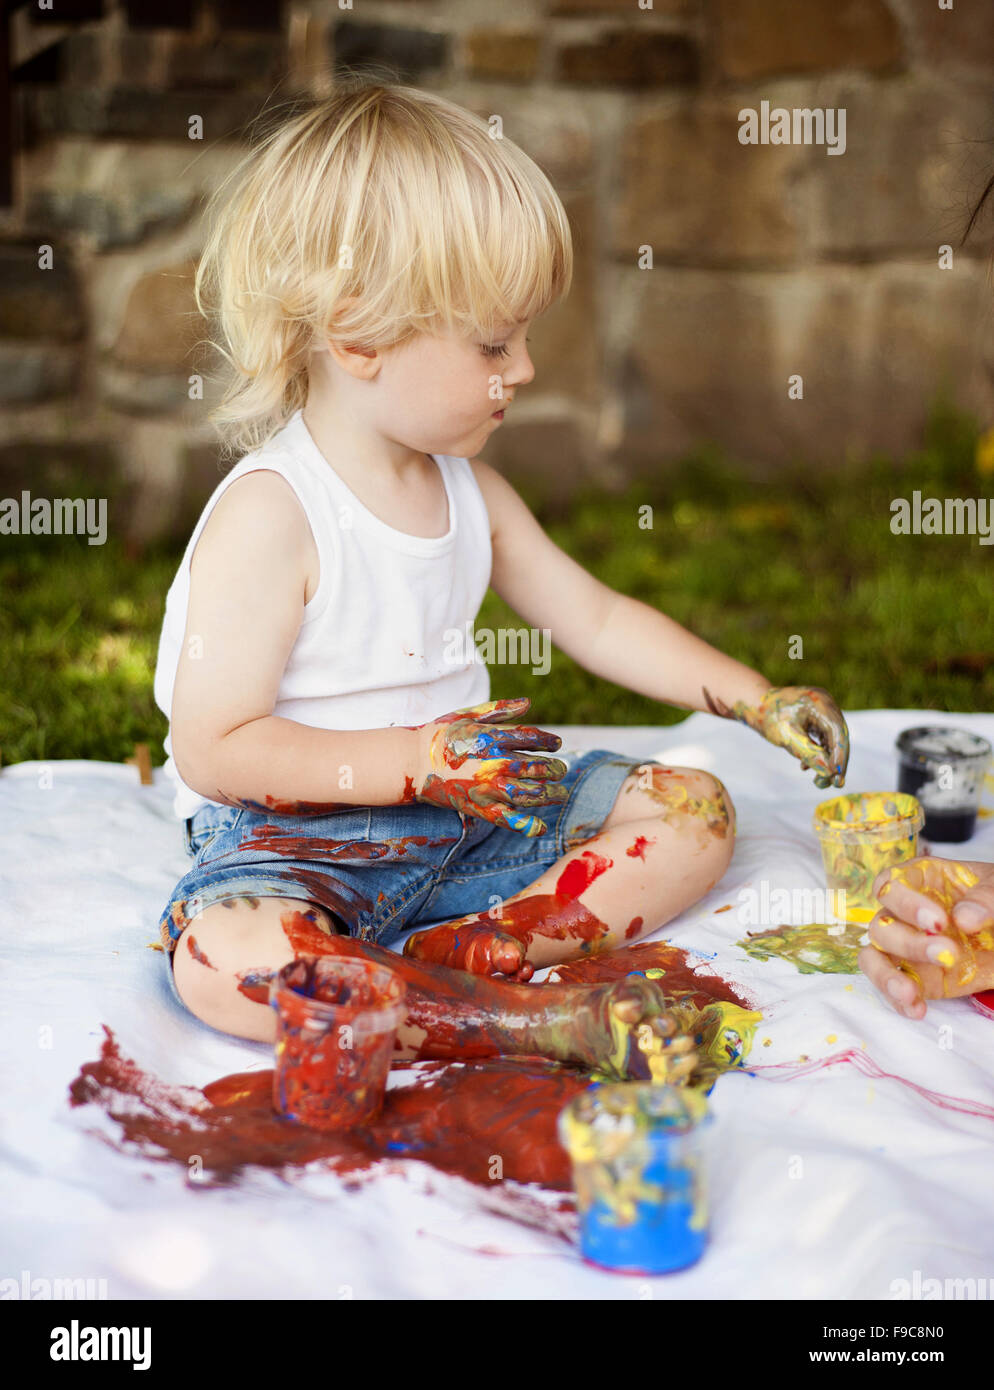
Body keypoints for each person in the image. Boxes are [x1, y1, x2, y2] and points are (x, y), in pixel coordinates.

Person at [153, 79, 849, 1071]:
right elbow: (216, 745)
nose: (522, 368)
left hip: (473, 825)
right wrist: (415, 759)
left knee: (694, 810)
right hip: (301, 847)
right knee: (223, 960)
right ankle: (508, 1019)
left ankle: (479, 952)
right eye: (492, 342)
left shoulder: (468, 490)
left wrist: (755, 694)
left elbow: (596, 617)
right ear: (358, 335)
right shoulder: (273, 513)